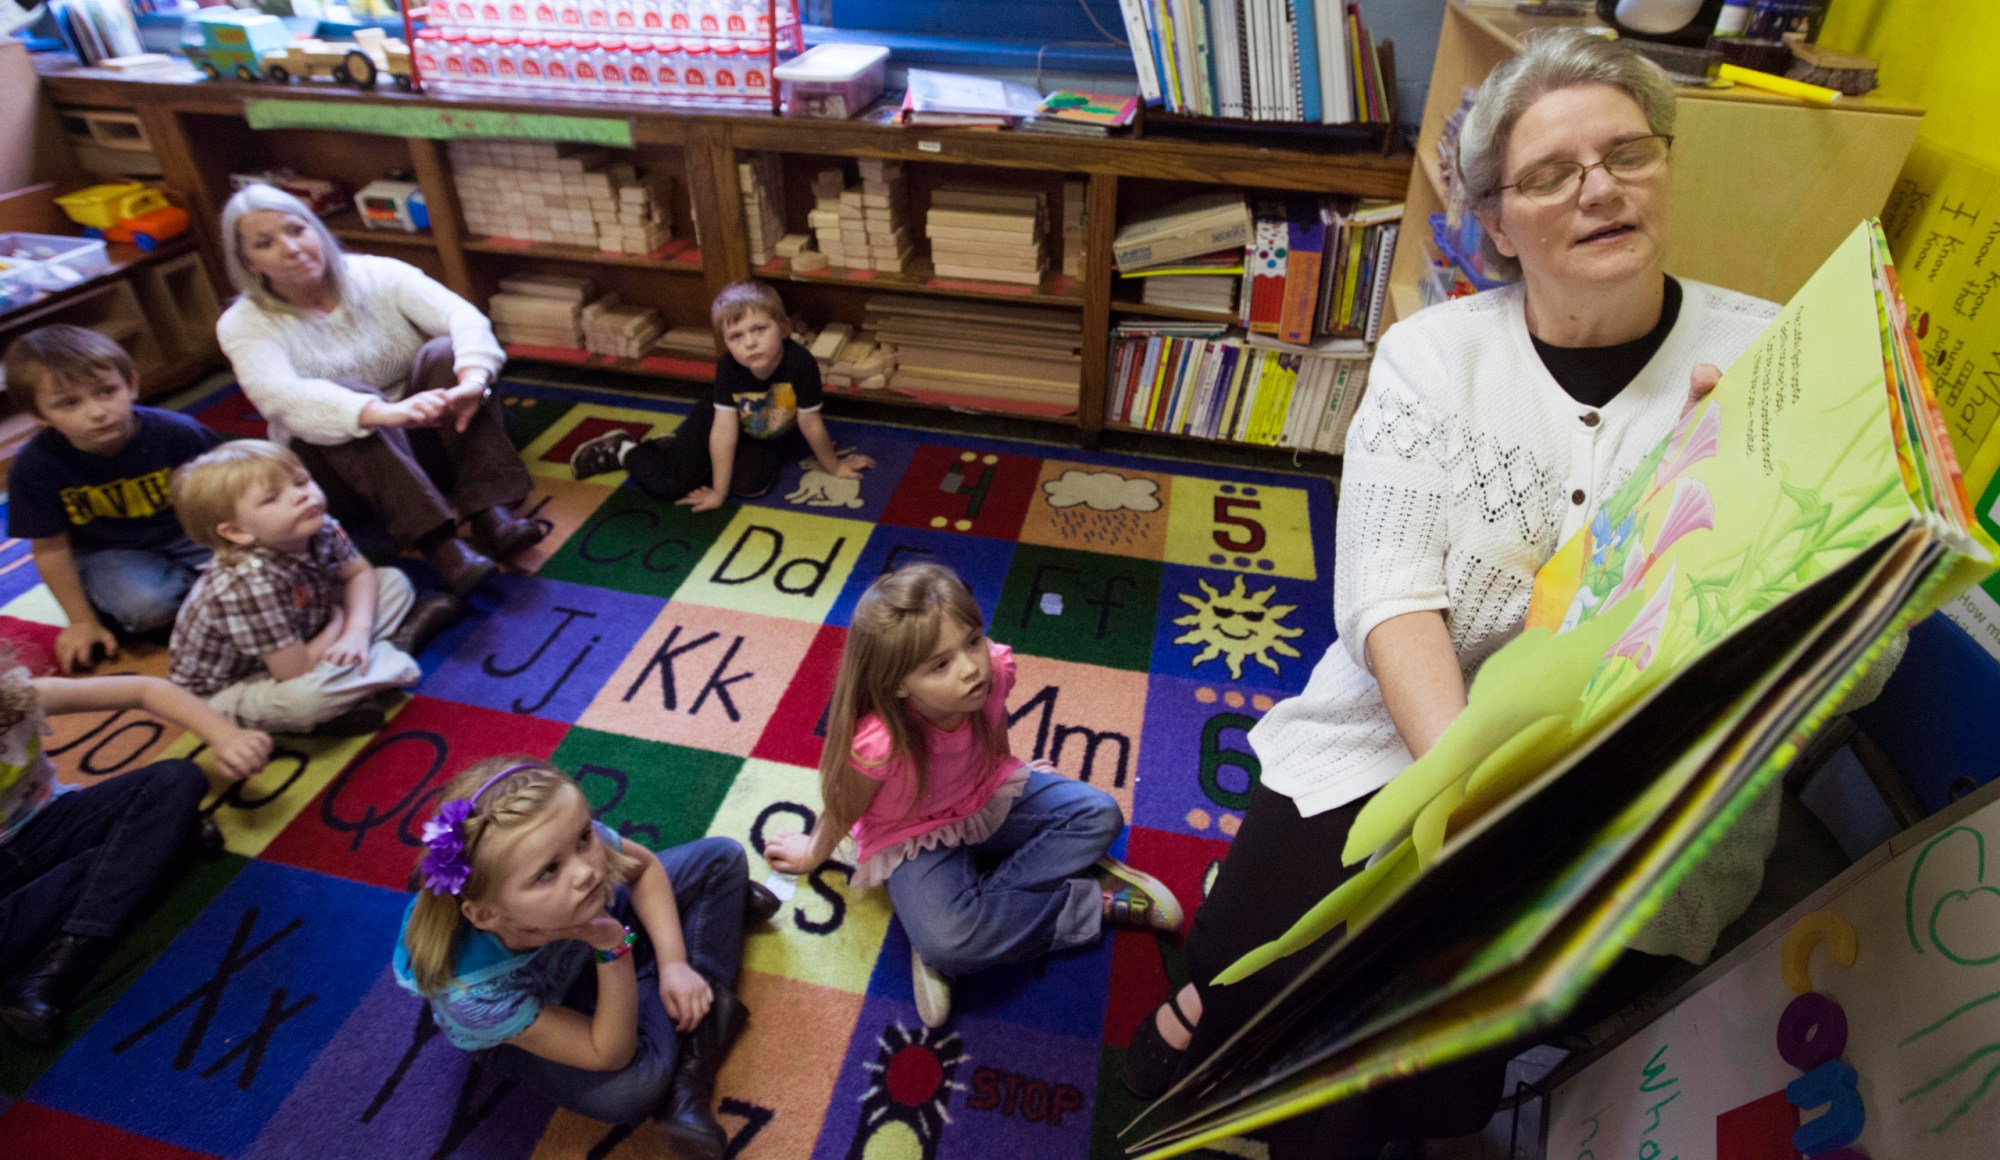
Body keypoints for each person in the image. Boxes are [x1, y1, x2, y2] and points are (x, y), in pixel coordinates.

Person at [1121, 29, 1793, 1153]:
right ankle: (1228, 1022)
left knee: (1418, 1068)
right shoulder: (1434, 354)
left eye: (1626, 153)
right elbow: (1386, 590)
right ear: (1493, 220)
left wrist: (1734, 515)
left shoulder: (1768, 356)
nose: (1597, 189)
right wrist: (1465, 811)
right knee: (1235, 958)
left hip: (1636, 798)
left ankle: (1292, 1076)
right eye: (1548, 175)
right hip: (1413, 736)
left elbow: (1852, 659)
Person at [761, 563, 1183, 1028]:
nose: (970, 668)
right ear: (898, 683)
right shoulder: (880, 742)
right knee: (948, 941)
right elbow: (847, 802)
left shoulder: (994, 670)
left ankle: (976, 915)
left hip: (987, 796)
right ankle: (1087, 903)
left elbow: (994, 728)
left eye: (972, 640)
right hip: (915, 838)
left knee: (1099, 814)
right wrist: (813, 851)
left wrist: (1011, 771)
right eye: (940, 664)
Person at [393, 758, 779, 1158]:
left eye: (583, 838)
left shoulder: (558, 840)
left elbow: (644, 868)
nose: (586, 872)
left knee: (721, 857)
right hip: (544, 1015)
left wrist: (674, 964)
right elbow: (608, 1052)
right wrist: (613, 943)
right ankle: (688, 1069)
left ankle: (683, 1060)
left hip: (580, 933)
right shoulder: (472, 994)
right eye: (548, 872)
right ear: (488, 914)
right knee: (630, 1089)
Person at [215, 183, 542, 597]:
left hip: (422, 438)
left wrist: (474, 381)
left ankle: (490, 511)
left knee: (444, 353)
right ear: (249, 261)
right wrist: (382, 412)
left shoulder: (377, 273)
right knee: (341, 397)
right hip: (340, 468)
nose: (291, 248)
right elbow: (280, 397)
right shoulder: (242, 323)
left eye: (297, 230)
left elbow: (462, 316)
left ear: (317, 230)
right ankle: (439, 544)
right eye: (265, 243)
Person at [0, 664, 271, 1043]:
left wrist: (225, 736)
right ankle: (155, 850)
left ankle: (58, 965)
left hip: (58, 823)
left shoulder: (18, 695)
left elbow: (145, 690)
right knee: (127, 852)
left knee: (176, 779)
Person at [167, 440, 460, 736]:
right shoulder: (248, 583)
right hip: (241, 683)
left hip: (302, 632)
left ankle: (364, 669)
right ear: (238, 532)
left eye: (301, 482)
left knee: (392, 582)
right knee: (305, 700)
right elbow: (293, 670)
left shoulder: (316, 524)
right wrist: (339, 624)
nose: (302, 496)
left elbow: (360, 573)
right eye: (272, 498)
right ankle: (386, 657)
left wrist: (355, 633)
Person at [3, 325, 223, 673]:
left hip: (190, 533)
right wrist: (80, 621)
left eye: (107, 391)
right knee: (147, 606)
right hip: (108, 553)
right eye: (69, 403)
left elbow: (231, 491)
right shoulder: (35, 466)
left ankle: (202, 593)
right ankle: (206, 594)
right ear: (39, 415)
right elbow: (51, 549)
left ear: (132, 384)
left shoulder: (179, 432)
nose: (97, 412)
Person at [568, 281, 874, 508]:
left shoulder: (801, 363)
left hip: (765, 430)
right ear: (726, 343)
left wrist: (834, 466)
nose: (750, 344)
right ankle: (626, 449)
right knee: (671, 485)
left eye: (759, 330)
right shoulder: (728, 367)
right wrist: (717, 492)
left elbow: (810, 422)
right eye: (736, 336)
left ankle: (675, 451)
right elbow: (725, 429)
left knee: (750, 487)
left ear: (782, 328)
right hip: (720, 420)